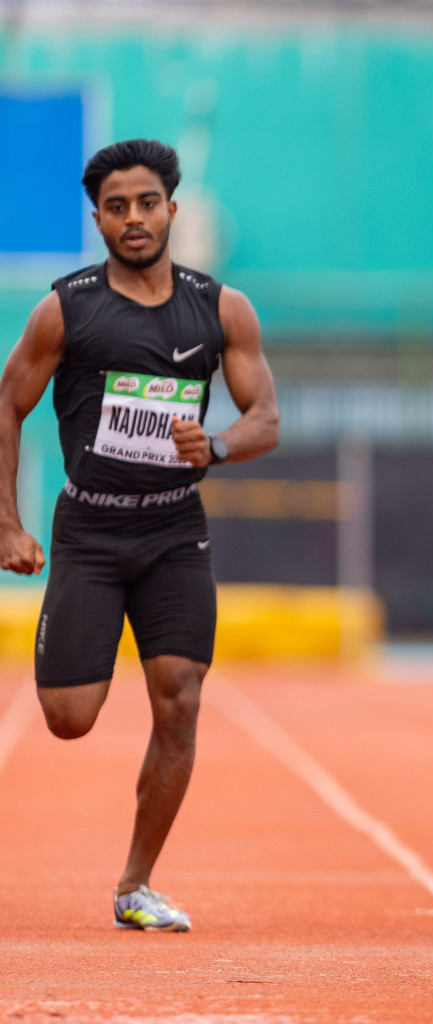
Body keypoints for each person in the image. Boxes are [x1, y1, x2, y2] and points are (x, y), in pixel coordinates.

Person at [0, 139, 280, 930]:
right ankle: (80, 644)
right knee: (68, 717)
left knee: (180, 700)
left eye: (147, 203)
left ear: (173, 211)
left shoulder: (222, 310)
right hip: (88, 528)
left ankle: (135, 885)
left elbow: (267, 417)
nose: (134, 219)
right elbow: (8, 403)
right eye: (117, 207)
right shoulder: (67, 308)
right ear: (98, 219)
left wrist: (216, 445)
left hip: (172, 531)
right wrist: (7, 523)